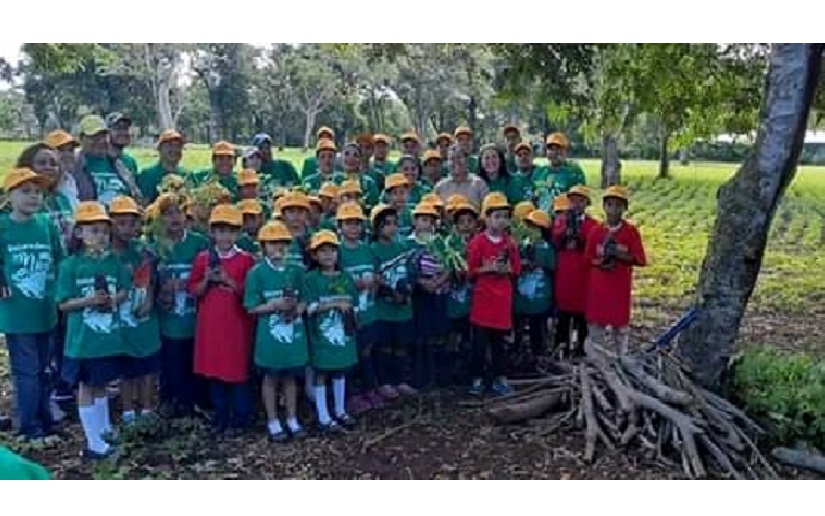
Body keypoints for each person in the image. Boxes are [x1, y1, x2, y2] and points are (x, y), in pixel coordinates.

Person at [57, 201, 130, 459]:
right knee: (87, 387)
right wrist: (89, 301)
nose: (100, 236)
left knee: (101, 385)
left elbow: (124, 289)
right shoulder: (71, 265)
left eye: (104, 231)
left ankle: (104, 431)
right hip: (83, 341)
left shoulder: (114, 262)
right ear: (79, 232)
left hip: (107, 339)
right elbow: (63, 304)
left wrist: (113, 299)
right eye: (94, 230)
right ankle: (93, 443)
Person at [0, 168, 62, 441]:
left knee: (45, 369)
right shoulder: (3, 225)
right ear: (9, 196)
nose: (33, 197)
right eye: (25, 191)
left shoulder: (46, 223)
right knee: (27, 371)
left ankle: (45, 418)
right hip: (17, 313)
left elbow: (59, 259)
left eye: (38, 192)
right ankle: (29, 426)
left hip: (46, 310)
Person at [189, 204, 256, 434]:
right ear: (212, 233)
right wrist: (207, 279)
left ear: (237, 233)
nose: (225, 236)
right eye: (220, 231)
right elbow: (194, 290)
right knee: (213, 371)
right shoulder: (203, 259)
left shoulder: (246, 260)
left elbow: (250, 293)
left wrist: (229, 281)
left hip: (236, 327)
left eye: (230, 231)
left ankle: (241, 418)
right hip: (210, 327)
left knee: (237, 372)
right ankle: (220, 415)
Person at [244, 221, 309, 442]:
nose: (278, 247)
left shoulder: (296, 271)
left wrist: (297, 310)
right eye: (272, 243)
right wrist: (274, 305)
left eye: (282, 242)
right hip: (269, 338)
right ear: (263, 246)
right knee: (271, 378)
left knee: (290, 378)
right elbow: (251, 307)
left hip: (294, 334)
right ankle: (272, 420)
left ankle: (292, 418)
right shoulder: (257, 273)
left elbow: (305, 298)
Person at [151, 193, 210, 417]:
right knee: (172, 363)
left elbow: (208, 275)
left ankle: (196, 405)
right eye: (167, 214)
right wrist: (162, 291)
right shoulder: (156, 246)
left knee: (194, 363)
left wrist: (186, 283)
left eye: (178, 212)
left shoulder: (199, 243)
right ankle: (171, 403)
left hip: (196, 317)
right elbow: (149, 282)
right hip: (169, 318)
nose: (174, 218)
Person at [109, 196, 161, 425]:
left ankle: (147, 408)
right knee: (126, 366)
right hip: (120, 316)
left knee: (148, 364)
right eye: (121, 223)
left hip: (143, 314)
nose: (127, 229)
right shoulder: (106, 255)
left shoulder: (143, 252)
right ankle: (128, 410)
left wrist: (149, 300)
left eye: (132, 223)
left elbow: (151, 279)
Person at [303, 230, 360, 432]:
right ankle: (323, 415)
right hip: (321, 336)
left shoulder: (346, 277)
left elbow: (355, 304)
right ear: (314, 255)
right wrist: (334, 304)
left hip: (343, 333)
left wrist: (354, 316)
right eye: (322, 251)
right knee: (321, 373)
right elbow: (309, 308)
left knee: (340, 371)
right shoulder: (310, 279)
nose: (328, 255)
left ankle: (340, 410)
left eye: (332, 250)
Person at [466, 192, 521, 397]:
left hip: (501, 302)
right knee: (479, 345)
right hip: (483, 301)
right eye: (497, 216)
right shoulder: (478, 242)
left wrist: (506, 269)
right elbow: (470, 272)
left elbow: (516, 269)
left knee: (499, 344)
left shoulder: (510, 243)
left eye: (504, 216)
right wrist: (488, 268)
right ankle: (477, 378)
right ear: (486, 218)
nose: (501, 221)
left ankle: (499, 378)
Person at [584, 186, 647, 356]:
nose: (613, 210)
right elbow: (587, 258)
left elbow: (640, 260)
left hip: (619, 288)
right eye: (610, 205)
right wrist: (600, 262)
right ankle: (597, 359)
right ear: (604, 207)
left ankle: (621, 357)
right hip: (599, 288)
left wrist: (619, 254)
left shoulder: (630, 232)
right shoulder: (596, 231)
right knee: (596, 326)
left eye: (618, 205)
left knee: (620, 327)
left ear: (624, 208)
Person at [370, 204, 417, 399]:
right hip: (383, 308)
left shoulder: (403, 247)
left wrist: (407, 291)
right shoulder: (373, 250)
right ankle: (384, 382)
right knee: (384, 347)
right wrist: (390, 294)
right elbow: (374, 279)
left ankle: (401, 380)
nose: (392, 228)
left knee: (401, 346)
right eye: (386, 224)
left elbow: (410, 272)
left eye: (394, 223)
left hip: (403, 307)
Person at [337, 202, 381, 413]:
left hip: (368, 311)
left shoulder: (367, 249)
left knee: (367, 351)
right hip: (348, 314)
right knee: (349, 354)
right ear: (340, 226)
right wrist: (352, 285)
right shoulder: (337, 251)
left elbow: (378, 274)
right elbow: (333, 280)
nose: (353, 228)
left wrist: (375, 282)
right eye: (348, 223)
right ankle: (351, 395)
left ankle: (369, 388)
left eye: (357, 223)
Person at [407, 202, 450, 390]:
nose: (427, 224)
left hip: (437, 292)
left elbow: (449, 265)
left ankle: (435, 376)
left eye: (431, 221)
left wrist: (438, 282)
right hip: (417, 294)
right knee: (418, 336)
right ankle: (418, 376)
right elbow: (406, 268)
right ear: (415, 221)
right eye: (423, 219)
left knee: (435, 335)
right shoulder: (407, 243)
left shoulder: (439, 242)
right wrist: (421, 282)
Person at [551, 186, 598, 357]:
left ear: (587, 203)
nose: (576, 204)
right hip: (565, 272)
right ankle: (560, 348)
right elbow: (556, 240)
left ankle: (579, 349)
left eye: (581, 200)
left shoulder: (592, 224)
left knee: (581, 316)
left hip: (583, 274)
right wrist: (567, 231)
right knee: (563, 315)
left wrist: (579, 238)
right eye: (573, 200)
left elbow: (593, 244)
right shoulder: (561, 221)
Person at [71, 115, 141, 206]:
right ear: (81, 139)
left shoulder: (118, 164)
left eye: (103, 136)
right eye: (94, 137)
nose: (100, 141)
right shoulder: (75, 164)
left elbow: (135, 194)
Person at [444, 200, 479, 385]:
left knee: (470, 336)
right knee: (452, 334)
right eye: (462, 222)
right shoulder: (449, 243)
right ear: (455, 225)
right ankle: (450, 371)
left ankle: (470, 371)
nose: (466, 225)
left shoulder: (479, 241)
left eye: (470, 221)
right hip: (453, 299)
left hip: (474, 299)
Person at [513, 209, 555, 358]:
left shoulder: (547, 248)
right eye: (530, 226)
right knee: (518, 327)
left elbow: (552, 266)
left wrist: (537, 263)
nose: (531, 230)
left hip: (540, 296)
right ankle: (517, 351)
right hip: (521, 296)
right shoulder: (521, 245)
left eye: (535, 227)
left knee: (537, 328)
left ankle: (539, 355)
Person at [533, 132, 586, 213]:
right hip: (542, 217)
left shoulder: (574, 172)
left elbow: (581, 200)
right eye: (551, 149)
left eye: (558, 149)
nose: (554, 152)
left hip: (565, 216)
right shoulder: (539, 172)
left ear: (565, 151)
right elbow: (533, 197)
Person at [434, 144, 489, 210]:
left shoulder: (479, 184)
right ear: (447, 163)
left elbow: (487, 210)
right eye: (452, 159)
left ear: (467, 160)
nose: (456, 161)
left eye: (459, 157)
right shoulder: (440, 187)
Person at [137, 130, 187, 203]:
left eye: (178, 146)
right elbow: (143, 204)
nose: (174, 149)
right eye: (169, 145)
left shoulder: (187, 175)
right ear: (159, 148)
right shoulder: (147, 175)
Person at [339, 142, 380, 210]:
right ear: (341, 158)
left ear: (360, 160)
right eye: (347, 154)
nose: (351, 158)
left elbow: (375, 207)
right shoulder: (335, 179)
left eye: (355, 155)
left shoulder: (369, 183)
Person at [383, 173, 414, 240]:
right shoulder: (382, 215)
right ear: (387, 196)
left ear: (408, 194)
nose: (399, 197)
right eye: (395, 193)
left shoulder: (412, 215)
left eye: (402, 192)